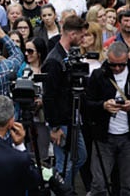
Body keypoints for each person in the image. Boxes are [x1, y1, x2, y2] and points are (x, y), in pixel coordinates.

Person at [85, 42, 130, 196]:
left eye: (121, 65)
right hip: (104, 137)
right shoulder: (99, 75)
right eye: (113, 65)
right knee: (99, 184)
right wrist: (104, 105)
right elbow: (86, 103)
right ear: (107, 60)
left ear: (127, 60)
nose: (117, 69)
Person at [41, 15, 89, 188]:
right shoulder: (54, 61)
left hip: (72, 118)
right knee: (64, 163)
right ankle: (60, 191)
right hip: (61, 122)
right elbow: (49, 96)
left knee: (80, 157)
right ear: (72, 34)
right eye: (82, 36)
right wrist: (54, 127)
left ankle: (63, 188)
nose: (83, 39)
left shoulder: (69, 56)